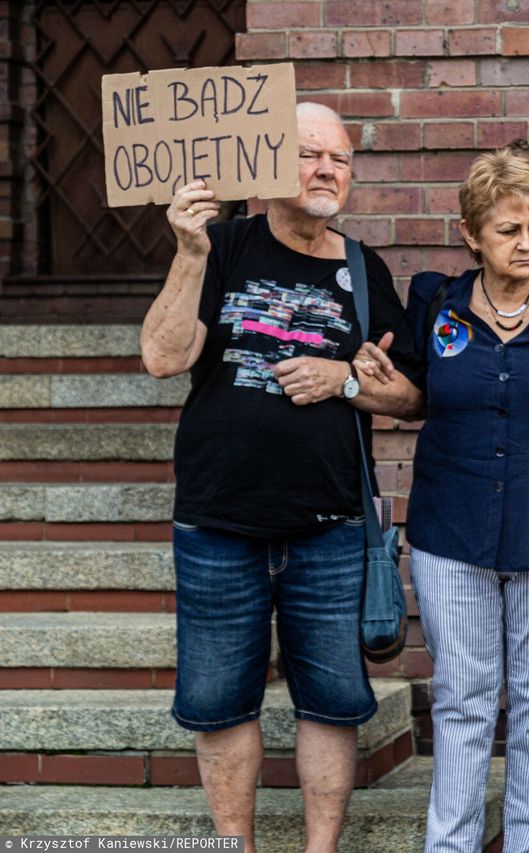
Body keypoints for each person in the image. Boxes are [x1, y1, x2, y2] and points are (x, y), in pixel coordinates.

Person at [139, 103, 422, 853]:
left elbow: (411, 394)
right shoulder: (222, 246)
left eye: (341, 158)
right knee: (218, 704)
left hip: (330, 529)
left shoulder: (364, 271)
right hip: (218, 523)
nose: (328, 170)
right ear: (266, 166)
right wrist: (189, 250)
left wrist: (346, 379)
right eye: (308, 154)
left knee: (330, 704)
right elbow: (164, 356)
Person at [374, 147, 529, 853]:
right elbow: (410, 390)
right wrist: (365, 377)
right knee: (462, 700)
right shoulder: (436, 304)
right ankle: (449, 845)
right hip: (451, 533)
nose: (526, 243)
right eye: (509, 229)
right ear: (471, 233)